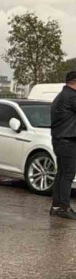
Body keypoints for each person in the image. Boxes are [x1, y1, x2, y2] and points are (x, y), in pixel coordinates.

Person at [49, 70, 76, 220]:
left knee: (61, 174)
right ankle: (64, 207)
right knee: (68, 174)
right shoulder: (71, 96)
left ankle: (56, 206)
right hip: (68, 140)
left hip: (60, 140)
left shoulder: (61, 95)